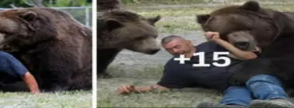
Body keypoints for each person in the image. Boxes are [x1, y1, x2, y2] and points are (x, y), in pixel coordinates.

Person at [117, 35, 293, 108]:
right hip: (231, 84)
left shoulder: (213, 46)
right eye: (171, 50)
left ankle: (277, 101)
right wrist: (135, 90)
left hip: (254, 73)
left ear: (189, 42)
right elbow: (165, 86)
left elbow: (249, 57)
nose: (176, 51)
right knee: (234, 95)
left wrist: (220, 41)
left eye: (177, 46)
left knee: (258, 81)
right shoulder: (175, 66)